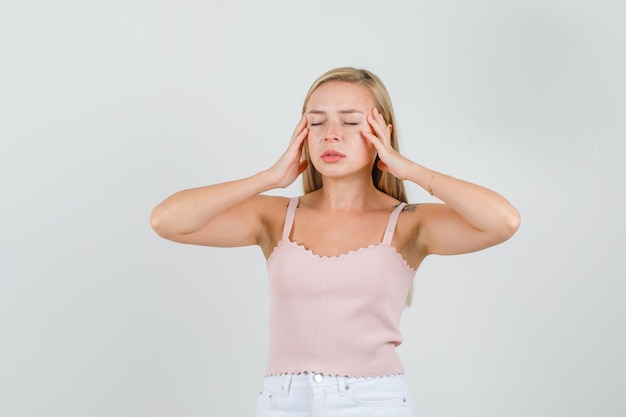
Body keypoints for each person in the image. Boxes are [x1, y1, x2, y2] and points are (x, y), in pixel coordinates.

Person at [150, 67, 521, 417]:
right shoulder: (276, 217)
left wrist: (410, 169)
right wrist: (267, 178)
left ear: (381, 133)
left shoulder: (408, 224)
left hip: (374, 402)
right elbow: (166, 221)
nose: (330, 133)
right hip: (283, 403)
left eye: (350, 121)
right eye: (316, 121)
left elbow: (503, 222)